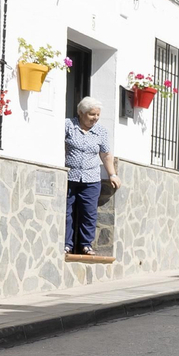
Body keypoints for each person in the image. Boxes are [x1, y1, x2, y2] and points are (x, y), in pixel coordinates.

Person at [63, 96, 119, 256]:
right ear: (81, 113)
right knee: (67, 212)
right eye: (91, 114)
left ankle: (85, 245)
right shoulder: (68, 125)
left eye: (97, 115)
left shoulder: (100, 131)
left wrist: (112, 174)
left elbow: (106, 155)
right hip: (69, 176)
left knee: (88, 213)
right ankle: (67, 244)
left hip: (91, 178)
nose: (95, 118)